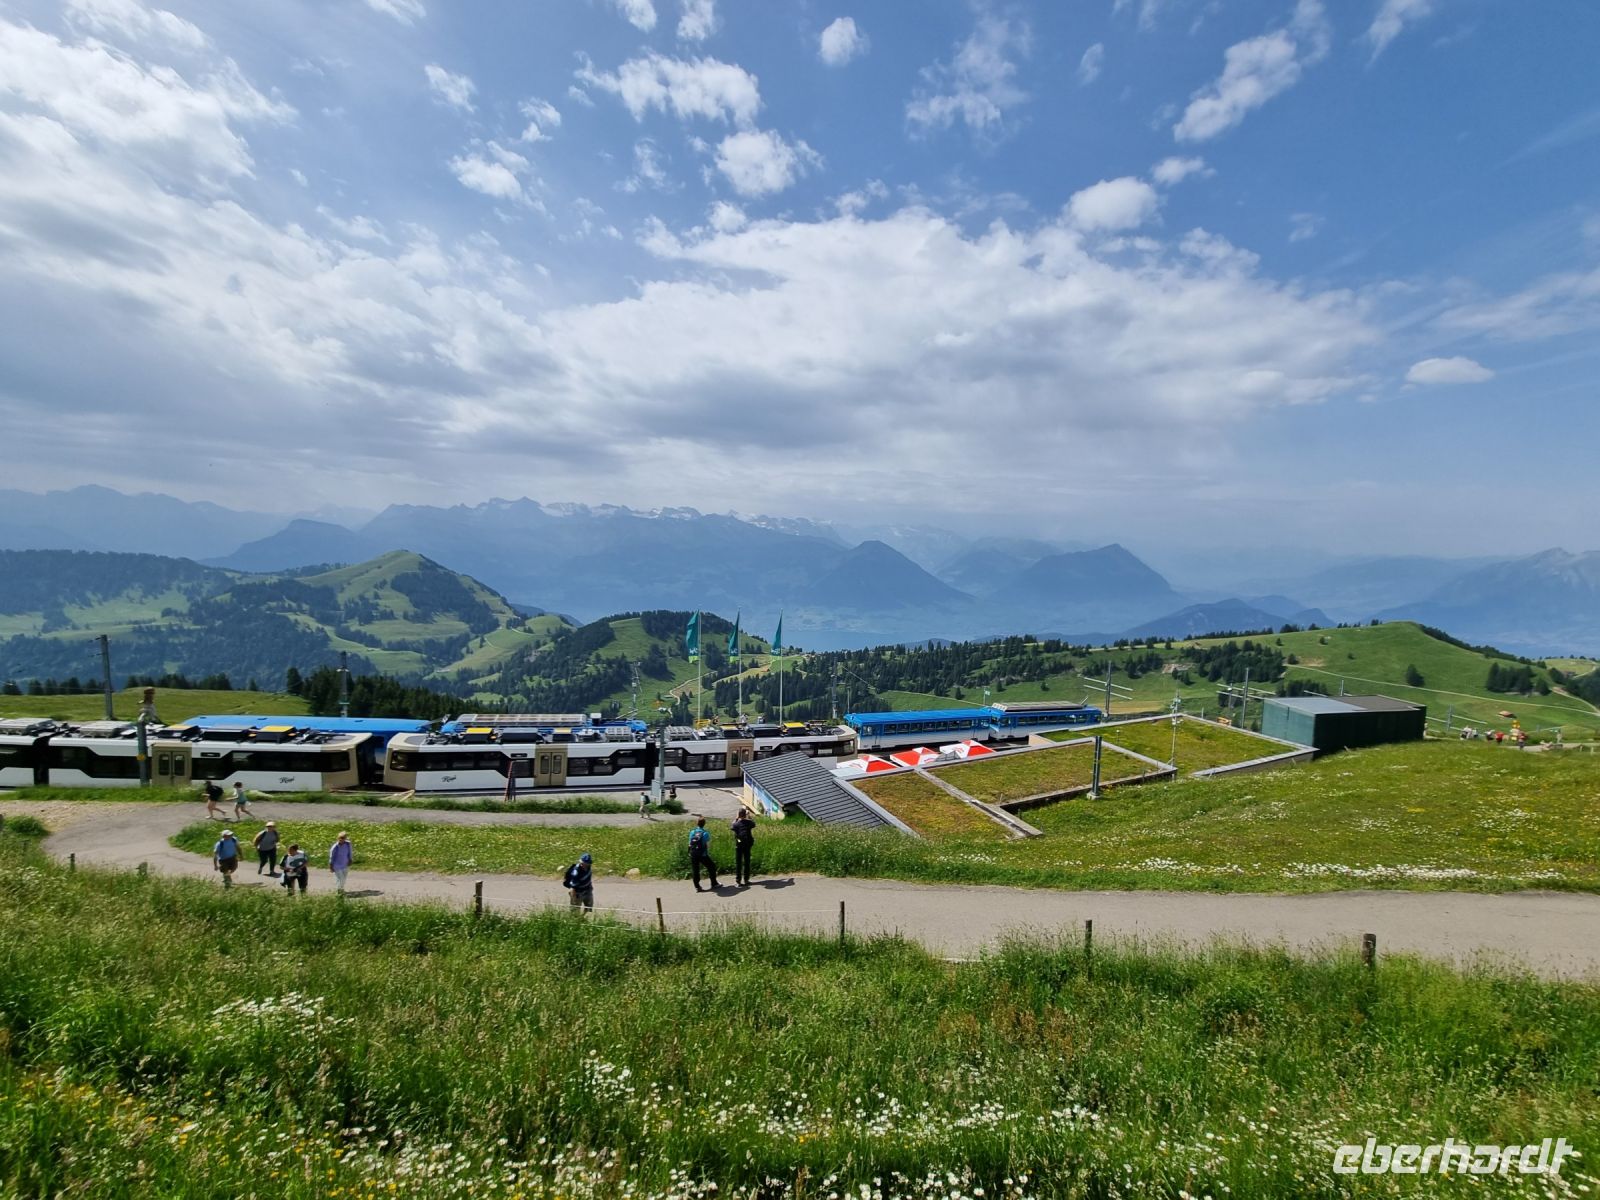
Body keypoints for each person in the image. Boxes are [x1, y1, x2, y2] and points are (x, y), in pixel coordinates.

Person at [687, 817, 719, 892]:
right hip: (702, 854)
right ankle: (714, 883)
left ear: (697, 823)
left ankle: (697, 886)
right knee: (711, 866)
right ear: (704, 824)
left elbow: (689, 844)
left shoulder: (692, 832)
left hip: (693, 854)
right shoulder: (705, 833)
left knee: (695, 870)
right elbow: (708, 845)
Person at [730, 807, 756, 887]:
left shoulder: (736, 823)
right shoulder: (749, 822)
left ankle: (738, 881)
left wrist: (736, 817)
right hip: (747, 844)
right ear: (745, 814)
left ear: (739, 815)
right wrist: (748, 816)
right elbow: (754, 824)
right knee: (747, 861)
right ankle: (746, 880)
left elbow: (732, 827)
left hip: (739, 844)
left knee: (739, 862)